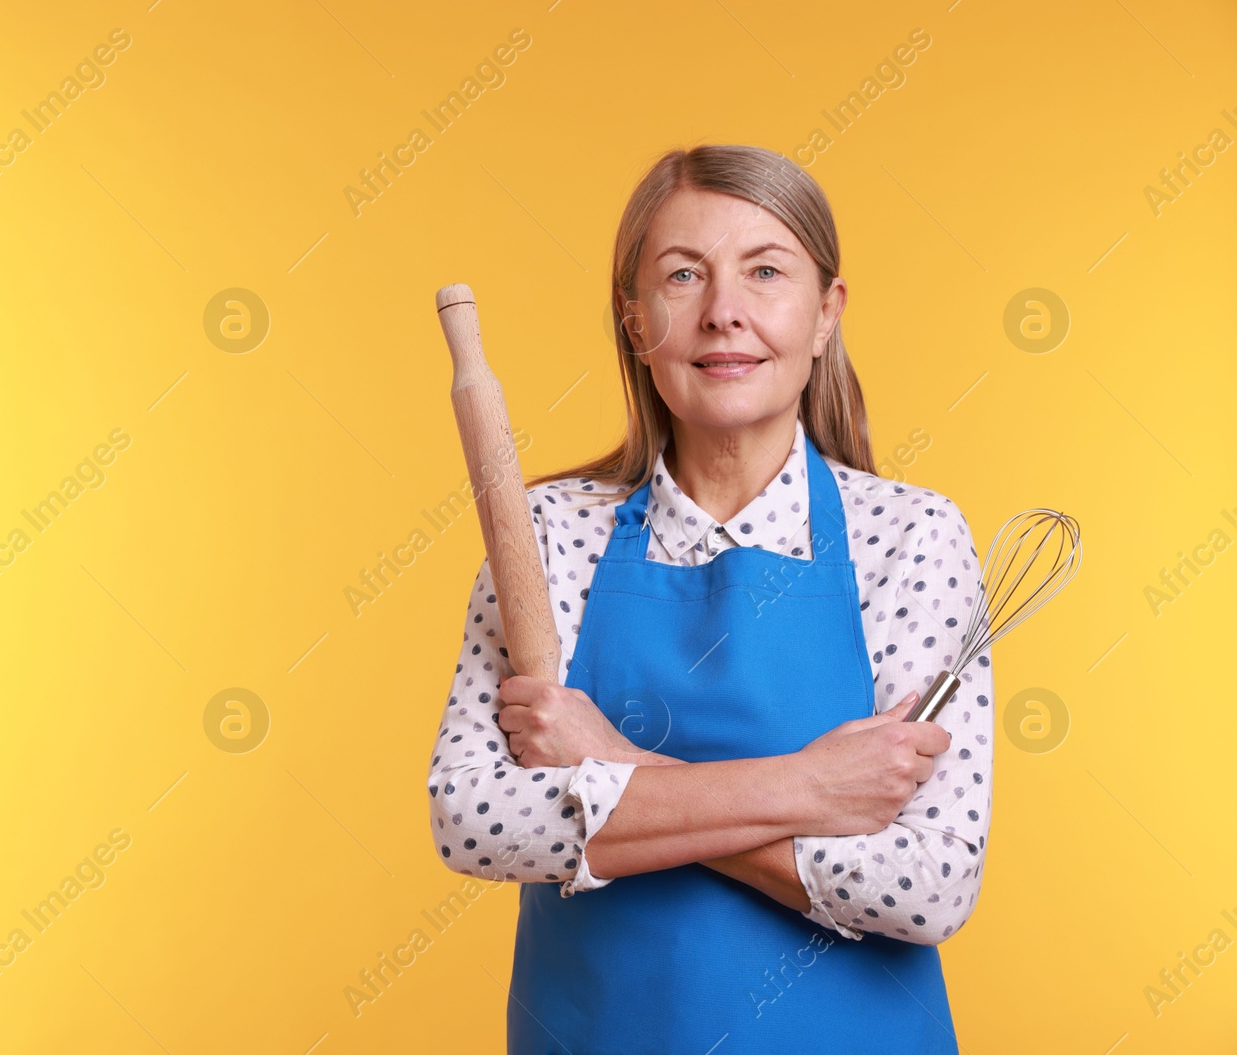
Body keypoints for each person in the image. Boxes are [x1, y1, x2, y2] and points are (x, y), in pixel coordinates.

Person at [425, 144, 993, 1053]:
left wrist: (608, 759)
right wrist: (808, 787)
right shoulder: (547, 536)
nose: (724, 312)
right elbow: (475, 821)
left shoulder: (912, 536)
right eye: (683, 275)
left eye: (765, 271)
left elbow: (924, 885)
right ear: (634, 319)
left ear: (824, 314)